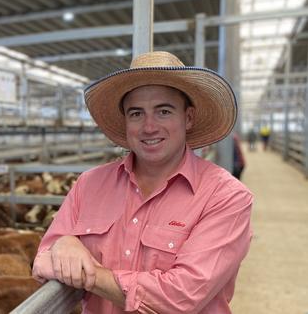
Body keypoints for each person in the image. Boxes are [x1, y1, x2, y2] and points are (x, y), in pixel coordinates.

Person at [32, 51, 253, 313]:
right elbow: (42, 261)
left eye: (163, 111)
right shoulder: (89, 185)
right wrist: (63, 243)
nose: (149, 127)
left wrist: (90, 273)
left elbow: (179, 297)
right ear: (125, 121)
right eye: (136, 113)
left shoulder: (226, 196)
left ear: (189, 117)